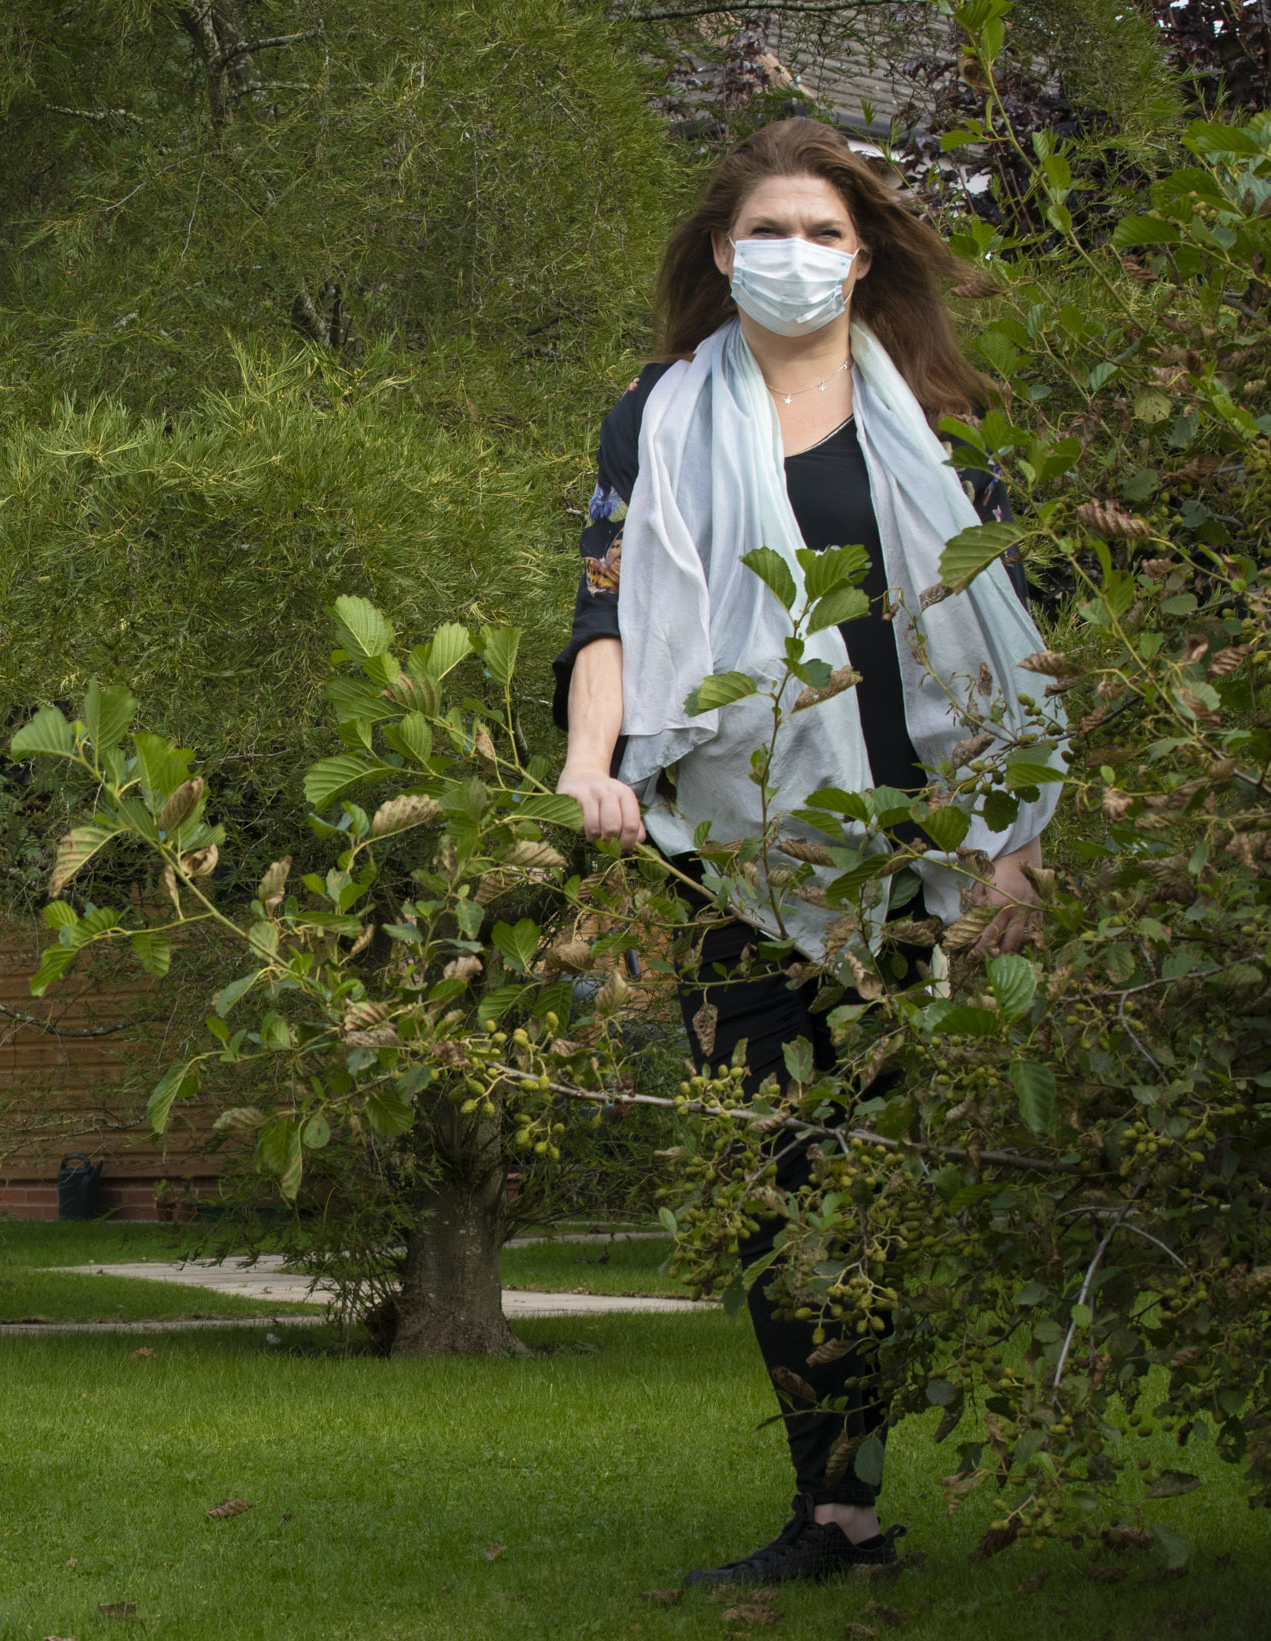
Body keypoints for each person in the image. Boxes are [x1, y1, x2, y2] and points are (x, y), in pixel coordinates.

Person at [550, 119, 1059, 1584]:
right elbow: (609, 616)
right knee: (778, 1174)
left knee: (908, 1170)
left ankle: (965, 1450)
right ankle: (834, 1506)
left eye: (824, 233)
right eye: (767, 231)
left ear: (864, 253)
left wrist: (1015, 848)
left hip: (924, 852)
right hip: (738, 850)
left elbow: (1026, 648)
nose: (795, 256)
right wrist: (590, 765)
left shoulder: (950, 418)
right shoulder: (650, 415)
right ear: (721, 253)